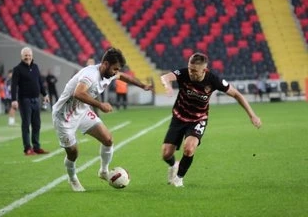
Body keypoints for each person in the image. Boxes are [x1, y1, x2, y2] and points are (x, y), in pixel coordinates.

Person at [52, 47, 153, 192]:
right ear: (105, 64)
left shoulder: (109, 73)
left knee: (108, 139)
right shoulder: (90, 75)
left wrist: (142, 85)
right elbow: (78, 93)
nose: (115, 72)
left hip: (82, 111)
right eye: (114, 69)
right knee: (73, 153)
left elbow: (123, 76)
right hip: (64, 117)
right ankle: (72, 178)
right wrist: (100, 105)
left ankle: (104, 171)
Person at [160, 52, 262, 187]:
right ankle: (174, 165)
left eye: (194, 71)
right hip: (179, 117)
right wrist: (167, 85)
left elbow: (237, 94)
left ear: (204, 69)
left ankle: (179, 179)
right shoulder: (184, 73)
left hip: (198, 119)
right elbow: (165, 77)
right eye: (190, 69)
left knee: (189, 148)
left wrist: (252, 115)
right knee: (166, 154)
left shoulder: (213, 80)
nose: (191, 73)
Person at [11, 47, 50, 155]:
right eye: (25, 55)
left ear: (32, 56)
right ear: (22, 56)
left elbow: (40, 83)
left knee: (37, 124)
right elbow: (14, 86)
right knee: (26, 124)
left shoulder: (36, 67)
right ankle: (27, 148)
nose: (27, 57)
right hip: (24, 100)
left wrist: (45, 94)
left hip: (36, 100)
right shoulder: (17, 69)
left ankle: (36, 147)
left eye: (29, 55)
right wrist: (14, 100)